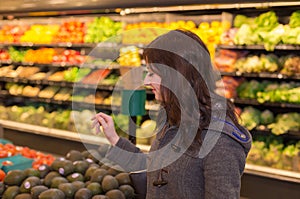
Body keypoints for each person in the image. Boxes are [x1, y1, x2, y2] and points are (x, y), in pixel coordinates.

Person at [92, 29, 252, 199]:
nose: (146, 81)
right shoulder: (172, 117)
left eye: (152, 73)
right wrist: (115, 139)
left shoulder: (220, 140)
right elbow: (158, 171)